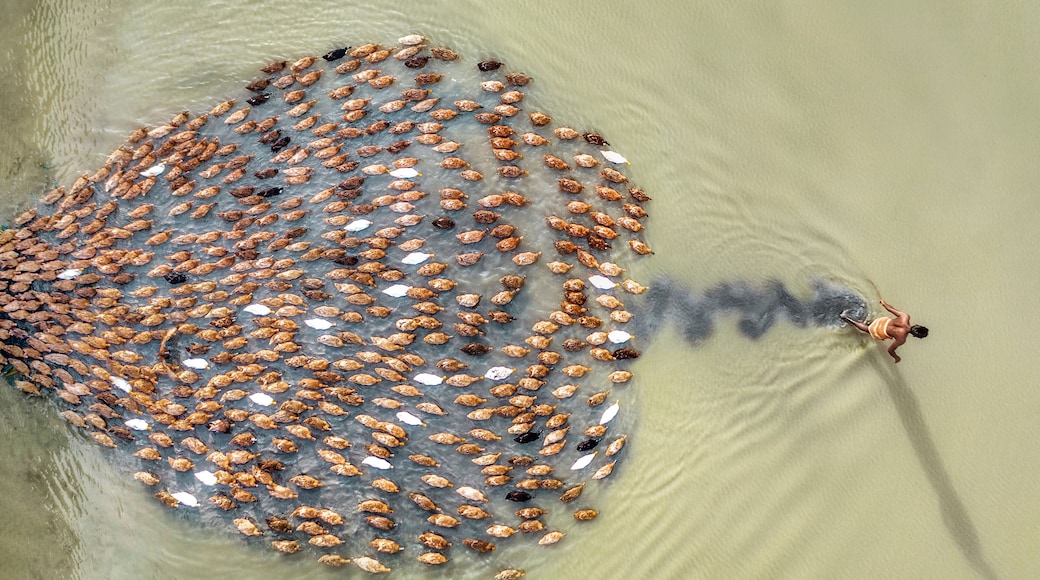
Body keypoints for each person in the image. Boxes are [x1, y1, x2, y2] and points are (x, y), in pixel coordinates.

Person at [841, 299, 928, 363]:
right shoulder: (902, 338)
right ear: (914, 336)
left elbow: (890, 309)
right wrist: (896, 357)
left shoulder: (905, 316)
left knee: (873, 324)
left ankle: (864, 321)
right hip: (879, 330)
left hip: (881, 321)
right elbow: (890, 350)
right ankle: (848, 319)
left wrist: (884, 304)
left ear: (916, 324)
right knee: (868, 330)